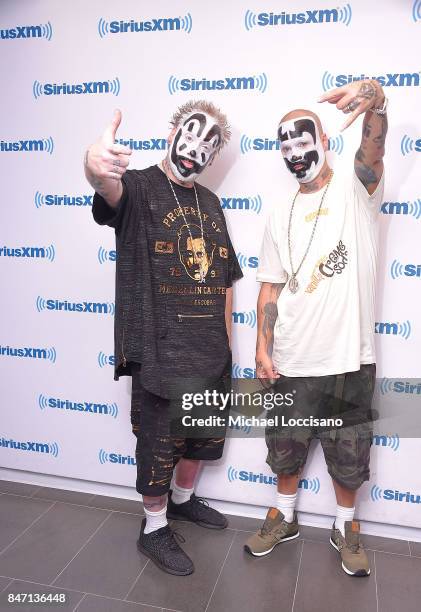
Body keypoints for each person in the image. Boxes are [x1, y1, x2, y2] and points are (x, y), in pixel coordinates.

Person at [84, 100, 243, 576]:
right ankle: (153, 527)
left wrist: (228, 344)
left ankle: (183, 500)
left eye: (207, 147)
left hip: (212, 355)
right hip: (159, 358)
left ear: (214, 157)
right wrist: (95, 167)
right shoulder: (137, 188)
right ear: (173, 130)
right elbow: (105, 187)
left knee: (199, 444)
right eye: (190, 136)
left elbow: (224, 278)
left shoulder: (211, 203)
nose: (195, 151)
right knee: (158, 447)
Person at [244, 79, 387, 577]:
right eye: (286, 145)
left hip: (348, 356)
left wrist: (376, 97)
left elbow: (373, 146)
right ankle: (283, 515)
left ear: (325, 141)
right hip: (289, 357)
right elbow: (268, 288)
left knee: (349, 455)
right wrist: (261, 349)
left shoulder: (355, 188)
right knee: (283, 450)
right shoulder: (278, 209)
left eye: (304, 142)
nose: (296, 153)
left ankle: (346, 524)